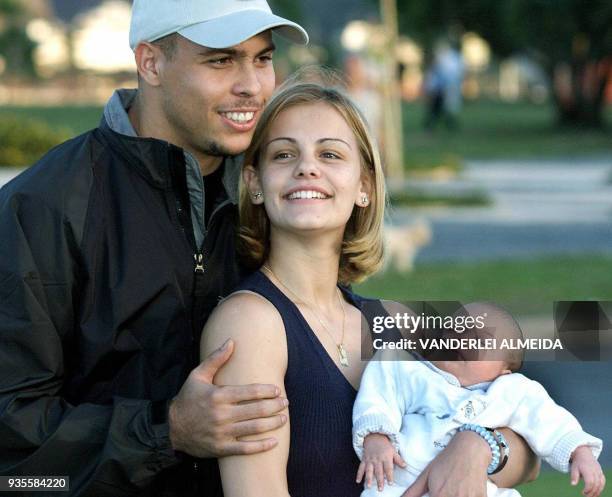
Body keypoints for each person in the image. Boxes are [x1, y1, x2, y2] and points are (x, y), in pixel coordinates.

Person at [0, 1, 308, 495]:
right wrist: (167, 431)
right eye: (221, 60)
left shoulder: (280, 190)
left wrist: (478, 429)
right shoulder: (43, 207)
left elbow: (359, 333)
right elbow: (13, 453)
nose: (252, 85)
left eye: (263, 58)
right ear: (150, 63)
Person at [200, 82, 540, 497]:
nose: (307, 168)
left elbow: (531, 450)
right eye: (284, 154)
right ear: (255, 182)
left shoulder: (393, 319)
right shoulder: (250, 322)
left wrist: (476, 445)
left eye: (330, 154)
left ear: (365, 187)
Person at [353, 303, 605, 497]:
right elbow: (378, 395)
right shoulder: (410, 371)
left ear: (505, 368)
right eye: (452, 330)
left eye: (479, 339)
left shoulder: (513, 391)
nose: (461, 338)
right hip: (401, 481)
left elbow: (549, 420)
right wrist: (376, 437)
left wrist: (580, 451)